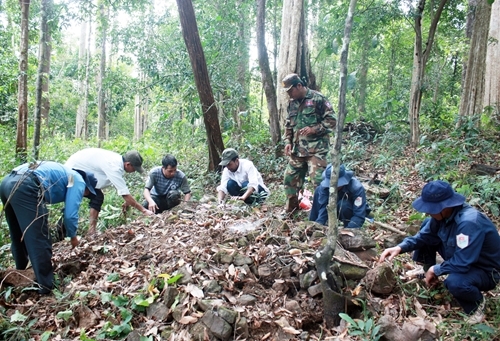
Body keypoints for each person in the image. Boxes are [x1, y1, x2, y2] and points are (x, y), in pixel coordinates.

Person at [379, 180, 500, 324]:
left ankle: (476, 305)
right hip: (463, 258)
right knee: (426, 228)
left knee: (455, 282)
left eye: (431, 208)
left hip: (485, 270)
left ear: (445, 207)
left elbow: (463, 262)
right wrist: (400, 247)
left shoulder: (468, 223)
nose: (427, 212)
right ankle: (427, 275)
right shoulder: (442, 217)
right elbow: (423, 237)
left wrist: (436, 269)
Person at [0, 161, 97, 294]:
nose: (85, 194)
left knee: (18, 235)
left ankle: (21, 276)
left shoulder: (67, 174)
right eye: (87, 192)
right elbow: (70, 215)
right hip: (26, 184)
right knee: (39, 238)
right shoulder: (78, 180)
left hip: (7, 182)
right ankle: (46, 288)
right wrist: (73, 238)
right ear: (87, 186)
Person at [282, 73, 337, 213]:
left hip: (316, 151)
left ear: (299, 85)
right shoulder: (292, 103)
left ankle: (322, 215)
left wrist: (314, 129)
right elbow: (289, 124)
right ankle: (291, 211)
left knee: (319, 183)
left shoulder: (318, 99)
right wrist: (288, 141)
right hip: (297, 150)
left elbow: (332, 121)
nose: (289, 94)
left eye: (290, 91)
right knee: (290, 180)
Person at [65, 148, 154, 233]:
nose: (134, 171)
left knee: (97, 196)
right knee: (73, 201)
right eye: (134, 169)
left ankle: (90, 231)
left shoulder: (116, 161)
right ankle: (68, 231)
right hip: (72, 174)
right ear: (127, 164)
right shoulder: (114, 166)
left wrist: (128, 201)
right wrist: (144, 210)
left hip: (78, 172)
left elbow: (119, 186)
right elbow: (125, 194)